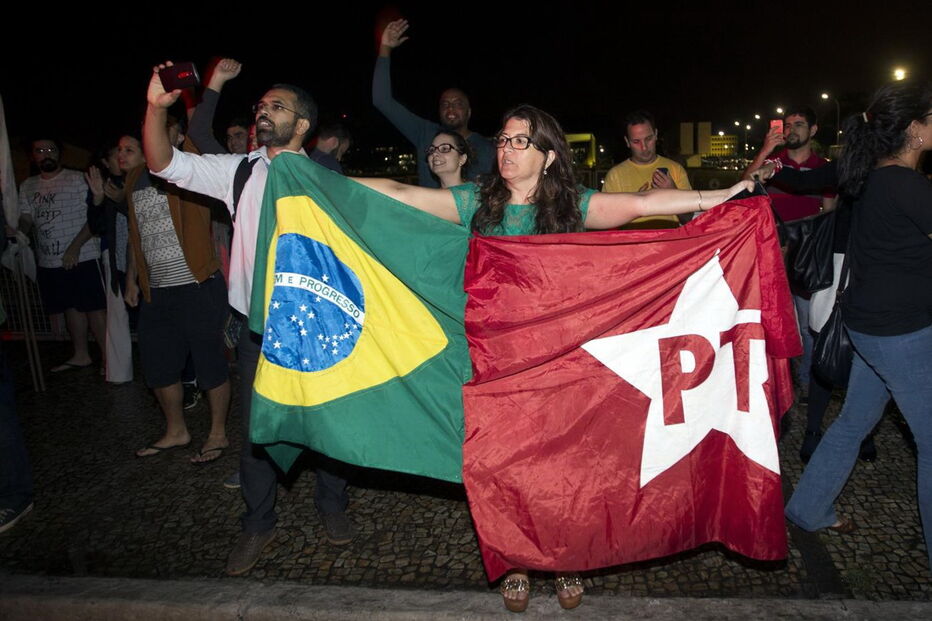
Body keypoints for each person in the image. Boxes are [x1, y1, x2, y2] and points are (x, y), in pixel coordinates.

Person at [355, 104, 753, 611]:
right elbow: (403, 194)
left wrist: (719, 195)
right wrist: (316, 178)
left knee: (566, 461)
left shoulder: (572, 206)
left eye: (520, 142)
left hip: (562, 359)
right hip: (497, 360)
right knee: (503, 462)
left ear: (547, 155)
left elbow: (638, 204)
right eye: (502, 140)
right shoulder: (479, 201)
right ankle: (515, 560)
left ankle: (567, 556)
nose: (505, 149)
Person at [142, 61, 354, 576]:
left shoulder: (326, 175)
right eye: (260, 104)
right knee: (257, 431)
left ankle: (334, 506)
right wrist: (154, 108)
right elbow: (162, 162)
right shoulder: (237, 171)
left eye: (276, 105)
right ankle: (258, 523)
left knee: (325, 421)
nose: (262, 110)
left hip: (315, 326)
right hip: (257, 329)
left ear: (302, 125)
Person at [784, 80, 932, 572]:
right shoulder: (907, 186)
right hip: (901, 333)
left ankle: (806, 508)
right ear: (914, 129)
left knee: (852, 422)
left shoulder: (869, 177)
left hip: (867, 326)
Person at [120, 123, 233, 465]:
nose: (149, 140)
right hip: (157, 291)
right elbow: (134, 233)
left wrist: (172, 99)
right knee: (158, 367)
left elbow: (198, 127)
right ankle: (176, 431)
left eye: (159, 131)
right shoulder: (134, 177)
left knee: (210, 363)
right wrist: (132, 279)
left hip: (197, 285)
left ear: (178, 137)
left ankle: (217, 433)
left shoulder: (190, 170)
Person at [18, 138, 107, 372]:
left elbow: (95, 216)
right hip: (50, 258)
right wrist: (18, 231)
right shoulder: (27, 185)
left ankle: (109, 358)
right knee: (70, 307)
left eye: (51, 150)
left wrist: (75, 247)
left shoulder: (78, 179)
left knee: (94, 307)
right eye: (40, 150)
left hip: (83, 255)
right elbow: (27, 217)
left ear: (59, 154)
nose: (46, 154)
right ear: (33, 156)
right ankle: (81, 354)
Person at [373, 18, 494, 186]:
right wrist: (385, 48)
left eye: (458, 103)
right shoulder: (425, 133)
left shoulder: (487, 148)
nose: (450, 107)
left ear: (469, 112)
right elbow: (382, 101)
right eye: (445, 104)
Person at [602, 110, 692, 229]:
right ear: (627, 142)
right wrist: (633, 205)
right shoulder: (615, 176)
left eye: (648, 139)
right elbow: (605, 223)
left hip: (669, 245)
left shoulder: (676, 169)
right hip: (633, 245)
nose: (644, 147)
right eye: (636, 141)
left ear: (656, 135)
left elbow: (688, 218)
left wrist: (673, 192)